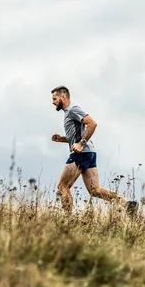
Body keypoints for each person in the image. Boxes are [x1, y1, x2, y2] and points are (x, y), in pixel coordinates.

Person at [50, 85, 138, 216]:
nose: (53, 102)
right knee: (95, 190)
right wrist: (62, 139)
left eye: (55, 99)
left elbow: (92, 123)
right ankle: (127, 204)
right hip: (89, 153)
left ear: (63, 97)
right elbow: (76, 136)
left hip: (81, 154)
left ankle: (66, 221)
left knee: (62, 187)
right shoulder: (69, 112)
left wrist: (80, 144)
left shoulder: (72, 110)